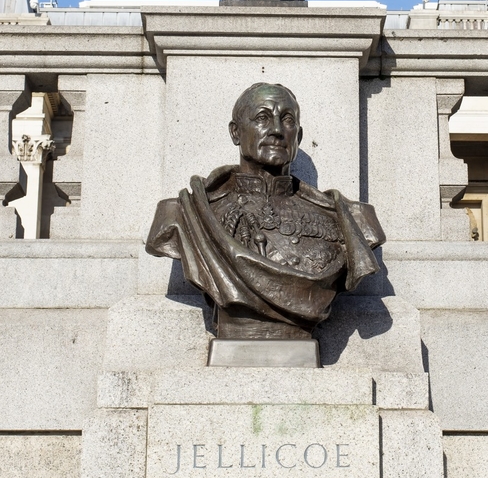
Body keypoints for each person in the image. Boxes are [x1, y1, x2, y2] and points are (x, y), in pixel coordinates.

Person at [145, 82, 384, 340]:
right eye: (262, 118)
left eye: (287, 120)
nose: (277, 131)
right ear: (235, 133)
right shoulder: (183, 214)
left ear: (298, 137)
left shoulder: (349, 218)